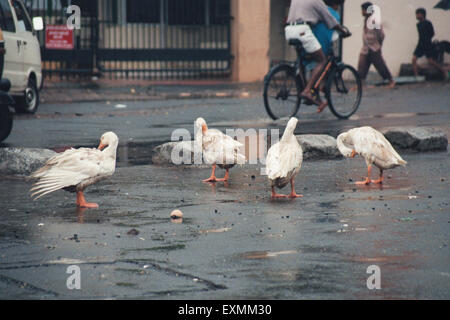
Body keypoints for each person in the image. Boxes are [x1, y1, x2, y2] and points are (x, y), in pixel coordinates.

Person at [285, 0, 350, 113]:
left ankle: (305, 88)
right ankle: (307, 91)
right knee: (322, 60)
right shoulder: (317, 1)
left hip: (289, 30)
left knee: (301, 60)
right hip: (302, 30)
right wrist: (342, 30)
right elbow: (330, 20)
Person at [357, 2, 395, 89]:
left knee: (380, 65)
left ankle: (391, 81)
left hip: (374, 48)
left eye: (363, 10)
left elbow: (381, 35)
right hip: (365, 48)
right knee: (362, 65)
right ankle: (359, 84)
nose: (362, 12)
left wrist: (378, 45)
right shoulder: (366, 20)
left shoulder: (374, 21)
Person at [412, 8, 445, 78]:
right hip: (420, 44)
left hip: (427, 44)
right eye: (416, 14)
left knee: (431, 61)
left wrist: (427, 39)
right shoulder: (418, 24)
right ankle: (416, 76)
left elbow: (432, 33)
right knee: (414, 59)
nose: (416, 16)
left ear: (422, 14)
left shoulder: (428, 23)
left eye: (418, 14)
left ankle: (443, 71)